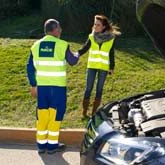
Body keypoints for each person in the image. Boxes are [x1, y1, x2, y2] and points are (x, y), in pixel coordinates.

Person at [26, 19, 79, 154]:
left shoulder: (36, 46)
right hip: (57, 88)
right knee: (55, 115)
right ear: (54, 30)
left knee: (42, 115)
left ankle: (41, 145)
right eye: (59, 28)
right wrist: (78, 54)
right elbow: (73, 61)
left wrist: (33, 85)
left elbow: (30, 68)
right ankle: (52, 146)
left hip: (42, 88)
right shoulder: (62, 45)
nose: (60, 30)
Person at [76, 14, 121, 118]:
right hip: (91, 66)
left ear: (104, 26)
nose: (95, 26)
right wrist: (76, 54)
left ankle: (94, 113)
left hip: (103, 68)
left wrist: (112, 67)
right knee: (88, 88)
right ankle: (84, 112)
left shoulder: (111, 38)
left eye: (98, 25)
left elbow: (111, 53)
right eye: (94, 24)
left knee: (99, 89)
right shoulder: (91, 37)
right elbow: (85, 48)